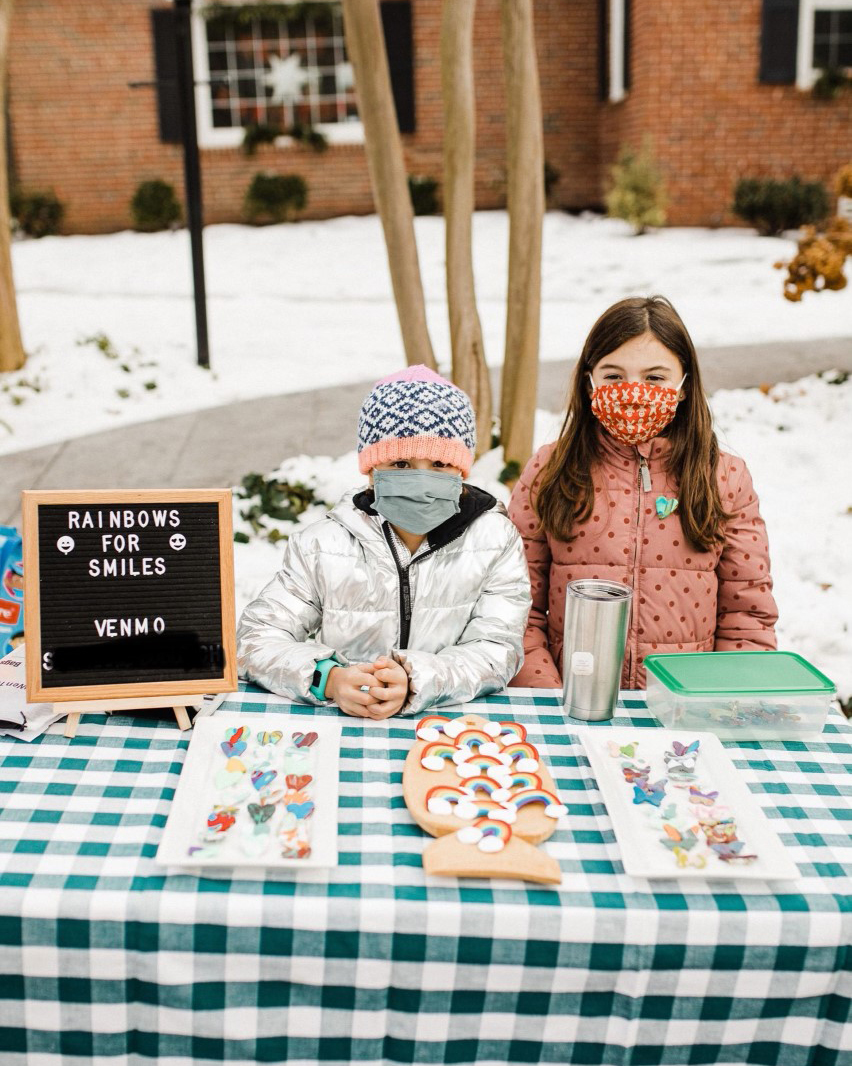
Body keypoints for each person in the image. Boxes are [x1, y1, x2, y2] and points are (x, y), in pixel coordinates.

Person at [509, 295, 778, 689]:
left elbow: (746, 613)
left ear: (684, 386)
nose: (633, 392)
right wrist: (550, 699)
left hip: (684, 708)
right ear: (590, 383)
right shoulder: (551, 471)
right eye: (614, 376)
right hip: (572, 702)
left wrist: (723, 700)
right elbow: (516, 605)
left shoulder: (724, 476)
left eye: (655, 377)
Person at [238, 365, 531, 718]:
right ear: (372, 470)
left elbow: (498, 648)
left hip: (448, 726)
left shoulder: (495, 541)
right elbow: (256, 638)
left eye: (439, 463)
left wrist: (416, 679)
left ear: (461, 470)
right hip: (345, 725)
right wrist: (327, 678)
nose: (422, 479)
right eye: (401, 463)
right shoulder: (321, 546)